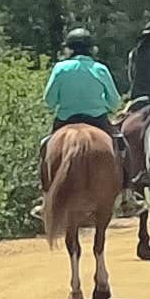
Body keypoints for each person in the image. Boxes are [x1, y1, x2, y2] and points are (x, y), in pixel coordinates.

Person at [42, 27, 120, 189]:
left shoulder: (60, 68)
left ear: (69, 48)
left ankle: (44, 195)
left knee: (45, 147)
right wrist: (101, 104)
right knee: (122, 146)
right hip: (97, 120)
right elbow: (114, 102)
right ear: (91, 49)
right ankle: (128, 195)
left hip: (65, 120)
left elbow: (49, 101)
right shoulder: (100, 69)